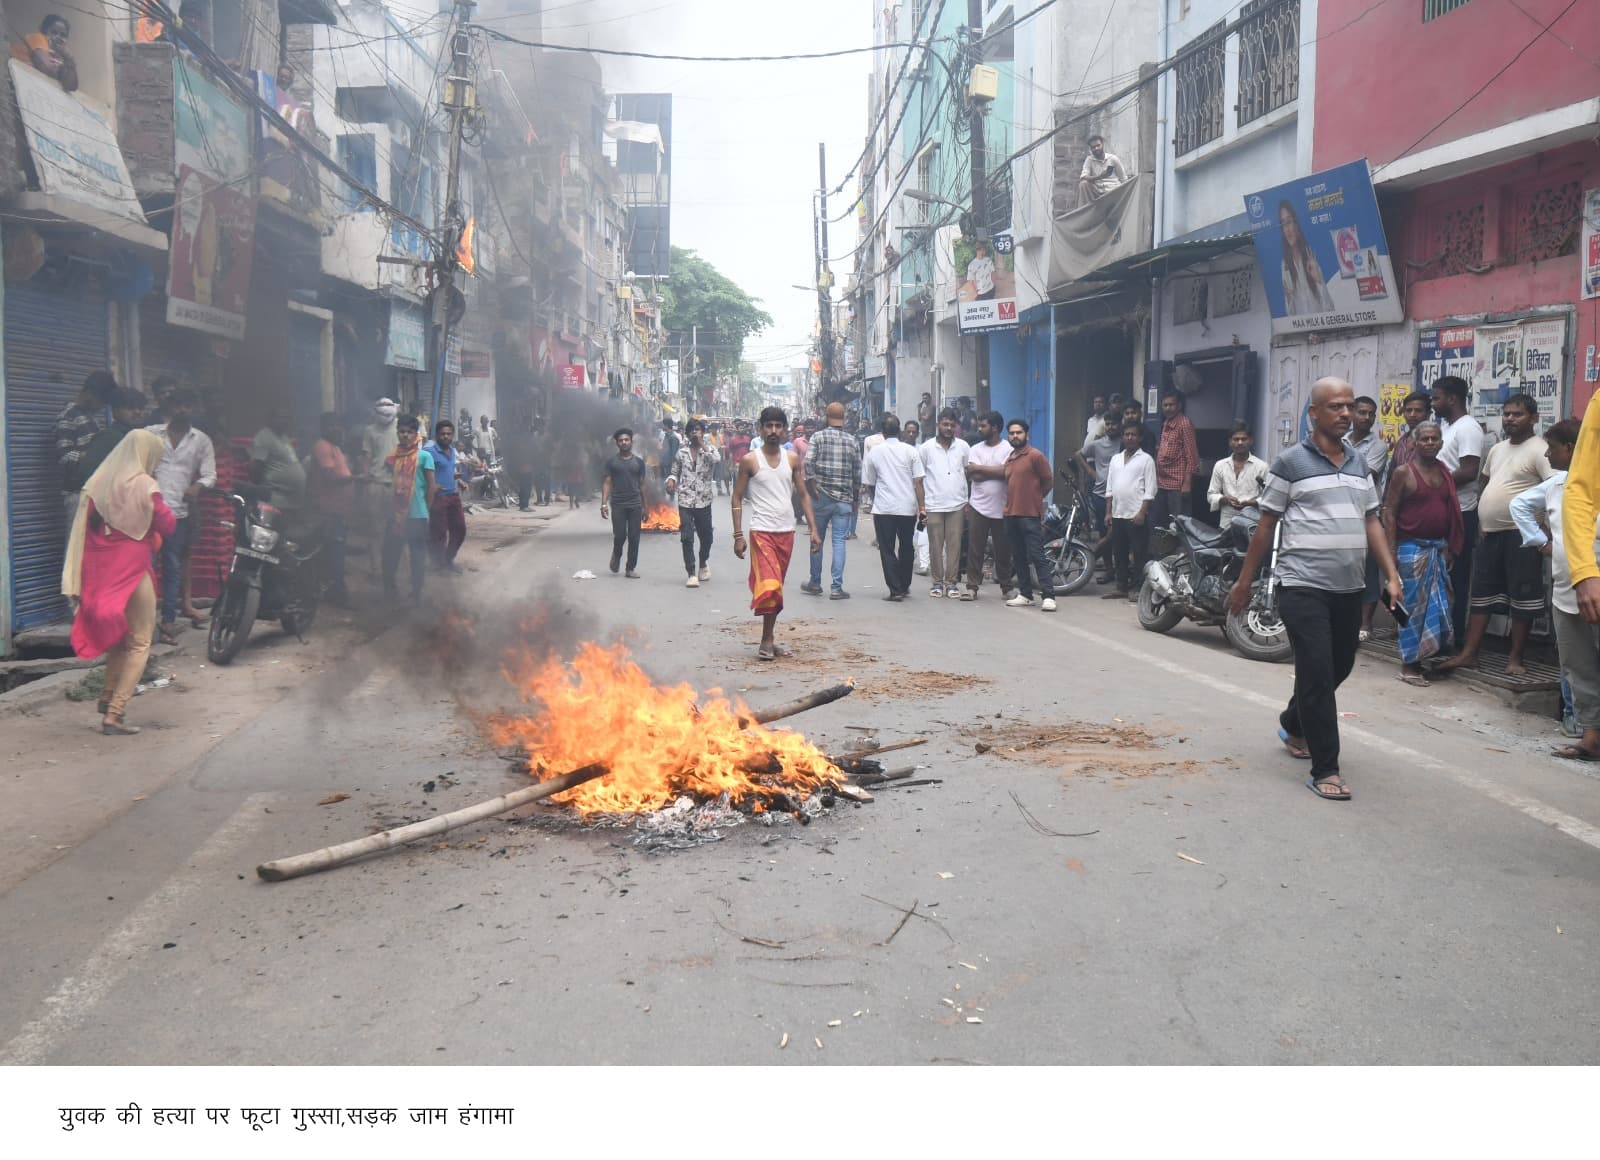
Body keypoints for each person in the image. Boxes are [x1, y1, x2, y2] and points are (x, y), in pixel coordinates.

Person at [1229, 377, 1401, 802]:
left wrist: (1391, 576)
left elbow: (1372, 521)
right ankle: (1326, 767)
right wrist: (1244, 582)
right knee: (1319, 672)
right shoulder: (1290, 463)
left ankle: (1294, 720)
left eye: (1350, 406)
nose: (1346, 413)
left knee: (1338, 665)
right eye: (1336, 407)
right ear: (1314, 413)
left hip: (1349, 587)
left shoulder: (1361, 464)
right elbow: (1265, 525)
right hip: (1302, 585)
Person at [61, 431, 174, 735]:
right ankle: (115, 713)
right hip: (133, 567)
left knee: (120, 641)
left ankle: (107, 694)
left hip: (102, 565)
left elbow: (92, 522)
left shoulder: (100, 482)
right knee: (140, 642)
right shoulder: (145, 485)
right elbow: (167, 523)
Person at [1434, 394, 1551, 676]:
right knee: (1482, 595)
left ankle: (1515, 658)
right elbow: (1485, 482)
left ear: (1533, 418)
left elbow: (1554, 488)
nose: (1510, 419)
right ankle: (1470, 654)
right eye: (1507, 414)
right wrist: (1484, 518)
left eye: (1517, 414)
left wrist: (1544, 529)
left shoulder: (1541, 449)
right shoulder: (1498, 449)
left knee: (1522, 598)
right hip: (1490, 533)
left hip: (1522, 535)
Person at [1505, 421, 1588, 755]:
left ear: (1569, 448)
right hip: (1566, 588)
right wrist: (1542, 543)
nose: (1548, 454)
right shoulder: (1557, 484)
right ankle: (1579, 721)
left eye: (1552, 448)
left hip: (1591, 586)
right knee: (1573, 661)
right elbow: (1519, 506)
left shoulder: (1588, 484)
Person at [731, 407, 820, 660]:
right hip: (761, 532)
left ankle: (768, 637)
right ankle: (767, 640)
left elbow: (802, 494)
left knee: (776, 588)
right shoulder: (750, 460)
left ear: (785, 429)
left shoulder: (792, 459)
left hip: (786, 532)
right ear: (761, 428)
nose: (773, 431)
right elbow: (737, 497)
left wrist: (813, 529)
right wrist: (737, 535)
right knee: (770, 587)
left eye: (778, 426)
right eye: (768, 426)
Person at [1381, 421, 1464, 687]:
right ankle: (1408, 664)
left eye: (1435, 439)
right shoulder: (1404, 473)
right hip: (1410, 549)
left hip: (1436, 548)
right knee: (1410, 608)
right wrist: (1391, 552)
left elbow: (1450, 511)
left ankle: (1426, 656)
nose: (1430, 443)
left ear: (1441, 443)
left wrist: (1449, 545)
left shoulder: (1444, 472)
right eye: (1425, 439)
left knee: (1439, 605)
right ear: (1415, 443)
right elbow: (1389, 512)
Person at [146, 388, 216, 644]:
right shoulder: (150, 434)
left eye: (188, 406)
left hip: (178, 513)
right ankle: (145, 621)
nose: (183, 410)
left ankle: (168, 621)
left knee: (173, 566)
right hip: (149, 512)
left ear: (194, 409)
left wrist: (198, 486)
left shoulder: (201, 440)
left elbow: (210, 474)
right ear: (169, 407)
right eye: (178, 405)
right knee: (147, 568)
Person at [1431, 375, 1485, 650]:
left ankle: (1454, 639)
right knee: (1439, 577)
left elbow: (1469, 470)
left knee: (1456, 578)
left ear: (1452, 399)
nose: (1433, 402)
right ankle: (1437, 636)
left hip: (1461, 514)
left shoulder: (1468, 428)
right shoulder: (1447, 427)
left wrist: (1435, 483)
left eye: (1437, 397)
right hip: (1442, 512)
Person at [801, 401, 862, 599]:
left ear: (827, 418)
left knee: (816, 538)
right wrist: (854, 498)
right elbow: (857, 473)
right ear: (843, 419)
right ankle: (836, 587)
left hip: (821, 496)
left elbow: (808, 463)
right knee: (839, 543)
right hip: (843, 498)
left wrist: (811, 487)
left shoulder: (818, 437)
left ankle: (815, 582)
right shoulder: (852, 441)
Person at [863, 414, 926, 601]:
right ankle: (904, 585)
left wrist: (876, 499)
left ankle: (895, 589)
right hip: (907, 506)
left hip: (884, 508)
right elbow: (918, 482)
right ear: (899, 431)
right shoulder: (911, 451)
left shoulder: (875, 452)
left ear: (882, 432)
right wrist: (922, 507)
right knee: (907, 546)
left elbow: (870, 482)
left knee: (887, 548)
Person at [997, 418, 1056, 611]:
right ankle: (1026, 594)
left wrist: (1036, 499)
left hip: (1029, 515)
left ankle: (1048, 596)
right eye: (1012, 433)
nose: (1015, 436)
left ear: (1026, 435)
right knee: (1018, 556)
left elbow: (1048, 480)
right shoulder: (1010, 458)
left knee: (1037, 556)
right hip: (1011, 514)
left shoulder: (1035, 456)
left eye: (1019, 432)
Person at [961, 410, 1016, 601]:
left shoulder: (1008, 449)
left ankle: (1006, 587)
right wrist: (995, 471)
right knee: (975, 548)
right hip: (978, 506)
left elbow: (1007, 472)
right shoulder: (975, 448)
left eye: (983, 426)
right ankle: (972, 586)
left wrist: (982, 469)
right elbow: (973, 475)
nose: (979, 428)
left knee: (1003, 549)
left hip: (1002, 507)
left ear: (995, 428)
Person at [54, 371, 117, 526]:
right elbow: (64, 458)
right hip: (78, 494)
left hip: (94, 492)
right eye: (102, 401)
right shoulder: (68, 416)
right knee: (77, 546)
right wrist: (93, 455)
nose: (103, 406)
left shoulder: (90, 417)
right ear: (89, 393)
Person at [382, 415, 434, 602]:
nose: (405, 435)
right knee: (390, 554)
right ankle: (390, 590)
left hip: (417, 514)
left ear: (416, 434)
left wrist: (426, 510)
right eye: (401, 431)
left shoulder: (425, 456)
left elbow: (431, 487)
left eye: (409, 432)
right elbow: (390, 483)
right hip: (395, 513)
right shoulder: (392, 456)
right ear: (397, 433)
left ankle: (416, 591)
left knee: (417, 555)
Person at [920, 408, 970, 597]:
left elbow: (967, 471)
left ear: (956, 426)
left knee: (954, 545)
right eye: (945, 424)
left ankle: (951, 583)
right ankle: (937, 582)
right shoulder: (926, 448)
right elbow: (919, 477)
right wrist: (921, 507)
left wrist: (967, 501)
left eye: (952, 425)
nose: (948, 428)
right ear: (937, 425)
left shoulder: (963, 447)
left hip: (957, 503)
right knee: (935, 545)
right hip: (933, 503)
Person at [1104, 420, 1157, 600]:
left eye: (1133, 434)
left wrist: (1142, 512)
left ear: (1140, 437)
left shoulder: (1146, 459)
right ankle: (1121, 586)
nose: (1130, 437)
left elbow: (1150, 490)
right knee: (1119, 552)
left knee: (1139, 553)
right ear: (1122, 437)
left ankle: (1139, 588)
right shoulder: (1115, 459)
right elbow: (1110, 487)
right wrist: (1108, 512)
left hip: (1136, 514)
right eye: (1126, 434)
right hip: (1118, 513)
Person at [308, 412, 354, 606]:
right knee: (332, 553)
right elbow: (330, 478)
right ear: (323, 427)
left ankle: (333, 591)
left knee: (336, 552)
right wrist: (356, 478)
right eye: (332, 425)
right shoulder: (322, 446)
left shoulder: (335, 447)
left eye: (339, 425)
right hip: (326, 511)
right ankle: (335, 594)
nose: (337, 429)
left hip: (337, 511)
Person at [666, 418, 719, 588]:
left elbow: (716, 460)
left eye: (698, 430)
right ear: (687, 433)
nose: (695, 433)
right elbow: (675, 471)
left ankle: (703, 562)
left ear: (702, 432)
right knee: (687, 537)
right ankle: (691, 572)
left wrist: (703, 445)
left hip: (704, 500)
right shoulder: (682, 452)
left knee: (707, 537)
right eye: (692, 430)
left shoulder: (710, 450)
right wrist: (672, 480)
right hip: (686, 500)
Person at [1076, 400, 1122, 581]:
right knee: (1104, 531)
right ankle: (1109, 568)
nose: (1110, 427)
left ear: (1119, 425)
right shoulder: (1097, 444)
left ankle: (1099, 557)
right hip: (1100, 495)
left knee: (1118, 534)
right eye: (1108, 424)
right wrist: (1090, 472)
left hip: (1120, 495)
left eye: (1114, 424)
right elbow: (1078, 454)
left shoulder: (1125, 443)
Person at [70, 389, 148, 494]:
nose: (137, 412)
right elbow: (87, 475)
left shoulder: (144, 435)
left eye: (141, 408)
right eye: (130, 407)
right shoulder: (109, 438)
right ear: (115, 411)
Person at [601, 427, 647, 578]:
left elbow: (642, 485)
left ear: (631, 442)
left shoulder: (639, 463)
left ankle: (630, 568)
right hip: (618, 504)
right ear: (617, 443)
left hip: (635, 504)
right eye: (621, 440)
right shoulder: (612, 463)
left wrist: (645, 507)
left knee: (634, 537)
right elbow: (607, 483)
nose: (624, 442)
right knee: (620, 536)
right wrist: (603, 504)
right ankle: (617, 554)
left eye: (626, 440)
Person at [1206, 422, 1268, 530]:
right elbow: (1211, 494)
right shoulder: (1220, 466)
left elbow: (1270, 497)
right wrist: (1224, 499)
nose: (1240, 442)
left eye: (1244, 439)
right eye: (1236, 439)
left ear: (1251, 441)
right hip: (1226, 525)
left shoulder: (1262, 467)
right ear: (1230, 442)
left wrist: (1252, 503)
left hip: (1251, 526)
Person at [423, 420, 466, 573]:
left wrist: (458, 480)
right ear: (437, 435)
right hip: (438, 497)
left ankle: (448, 560)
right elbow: (424, 473)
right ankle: (439, 565)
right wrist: (431, 487)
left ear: (452, 435)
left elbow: (448, 470)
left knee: (460, 529)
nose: (445, 437)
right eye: (442, 434)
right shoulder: (429, 452)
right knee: (439, 533)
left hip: (453, 496)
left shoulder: (453, 451)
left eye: (448, 434)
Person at [1277, 199, 1334, 316]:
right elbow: (1291, 315)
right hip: (1305, 332)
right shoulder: (1285, 266)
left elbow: (1330, 309)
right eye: (1283, 224)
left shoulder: (1310, 258)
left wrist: (1318, 280)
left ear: (1296, 224)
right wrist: (1288, 300)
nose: (1287, 229)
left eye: (1289, 222)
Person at [249, 408, 306, 521]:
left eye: (287, 418)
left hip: (290, 501)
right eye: (280, 417)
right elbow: (255, 467)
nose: (285, 421)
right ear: (271, 419)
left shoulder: (283, 437)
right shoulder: (263, 437)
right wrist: (265, 489)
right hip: (275, 500)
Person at [1152, 390, 1199, 526]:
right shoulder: (1166, 423)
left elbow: (1192, 454)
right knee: (1163, 523)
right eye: (1165, 405)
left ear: (1179, 406)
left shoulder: (1184, 423)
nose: (1168, 408)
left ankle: (1182, 548)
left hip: (1178, 484)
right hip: (1162, 482)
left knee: (1180, 523)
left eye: (1171, 405)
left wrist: (1187, 483)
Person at [13, 14, 77, 92]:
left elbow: (71, 86)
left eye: (63, 35)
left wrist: (69, 59)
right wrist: (61, 72)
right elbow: (46, 69)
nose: (58, 37)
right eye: (54, 32)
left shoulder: (58, 58)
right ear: (44, 31)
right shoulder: (38, 38)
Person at [1387, 391, 1435, 482]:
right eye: (1409, 410)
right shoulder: (1401, 442)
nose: (1412, 415)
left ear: (1428, 414)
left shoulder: (1432, 442)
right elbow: (1391, 476)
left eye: (1418, 411)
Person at [1077, 135, 1127, 204]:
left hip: (1114, 191)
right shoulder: (1089, 160)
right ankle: (1084, 212)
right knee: (1083, 184)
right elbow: (1083, 177)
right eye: (1093, 147)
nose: (1096, 148)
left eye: (1098, 145)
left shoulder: (1113, 158)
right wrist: (1100, 177)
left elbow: (1123, 179)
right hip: (1098, 193)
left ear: (1102, 144)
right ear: (1090, 149)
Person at [659, 419, 680, 484]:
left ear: (666, 425)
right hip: (664, 465)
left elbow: (674, 455)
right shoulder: (666, 436)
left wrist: (672, 472)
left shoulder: (673, 438)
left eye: (663, 424)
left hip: (669, 467)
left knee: (669, 486)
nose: (661, 426)